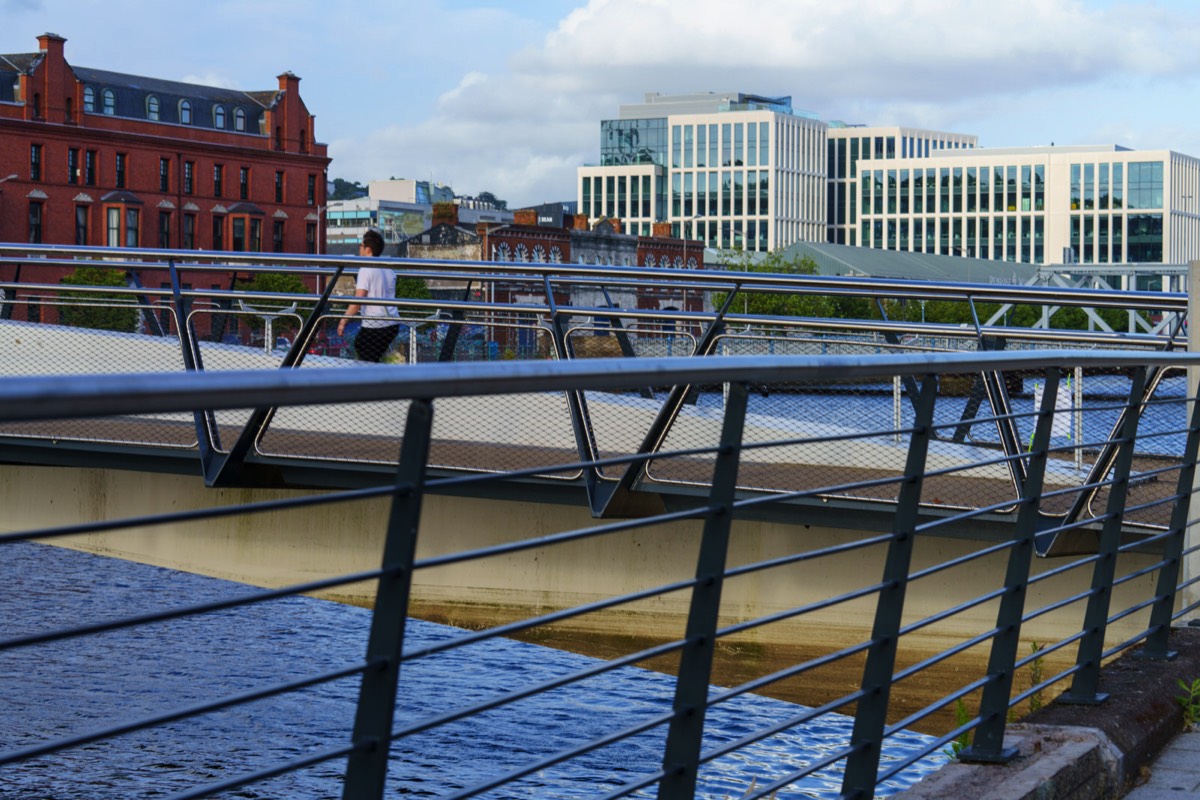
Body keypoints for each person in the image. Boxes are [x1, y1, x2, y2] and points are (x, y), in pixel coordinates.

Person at [337, 228, 400, 362]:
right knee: (370, 356)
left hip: (375, 325)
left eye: (361, 245)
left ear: (368, 249)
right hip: (393, 322)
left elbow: (358, 300)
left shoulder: (365, 269)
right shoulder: (388, 268)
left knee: (363, 351)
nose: (359, 248)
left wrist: (343, 321)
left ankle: (373, 380)